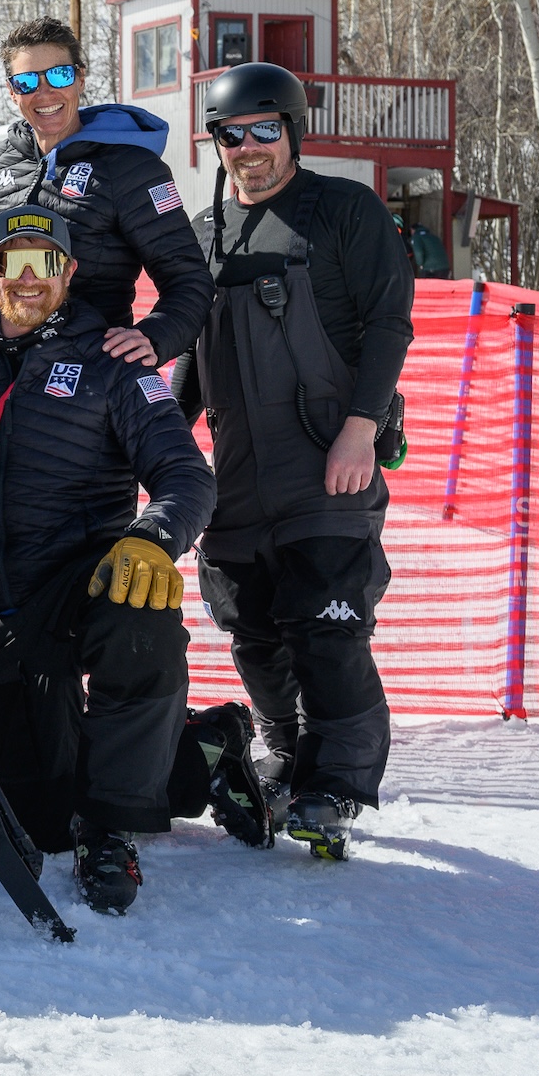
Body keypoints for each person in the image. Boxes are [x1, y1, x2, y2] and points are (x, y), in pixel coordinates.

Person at [0, 203, 225, 914]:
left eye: (44, 262)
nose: (26, 278)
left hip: (87, 581)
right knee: (43, 816)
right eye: (9, 260)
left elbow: (187, 476)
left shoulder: (114, 360)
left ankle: (112, 832)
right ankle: (206, 749)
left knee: (142, 615)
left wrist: (153, 538)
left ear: (69, 271)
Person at [174, 63, 413, 861]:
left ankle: (335, 782)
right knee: (249, 624)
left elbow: (388, 327)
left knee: (328, 625)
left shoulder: (343, 210)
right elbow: (191, 354)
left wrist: (360, 427)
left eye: (263, 130)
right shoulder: (203, 235)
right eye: (231, 134)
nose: (248, 148)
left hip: (325, 463)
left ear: (293, 130)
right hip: (238, 472)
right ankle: (282, 748)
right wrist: (162, 440)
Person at [0, 16, 211, 368]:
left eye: (59, 75)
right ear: (12, 92)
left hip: (89, 375)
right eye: (26, 81)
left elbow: (189, 279)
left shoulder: (130, 168)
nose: (44, 93)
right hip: (3, 373)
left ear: (80, 78)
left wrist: (155, 336)